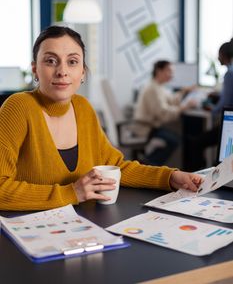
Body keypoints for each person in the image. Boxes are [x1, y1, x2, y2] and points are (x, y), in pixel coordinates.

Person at [0, 26, 202, 211]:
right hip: (27, 236)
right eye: (50, 61)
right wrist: (72, 193)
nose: (62, 71)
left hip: (81, 229)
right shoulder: (18, 106)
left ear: (82, 72)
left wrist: (170, 177)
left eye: (72, 61)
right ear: (35, 69)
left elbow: (117, 167)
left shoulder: (83, 108)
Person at [134, 60, 197, 165]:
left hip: (152, 126)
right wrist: (183, 107)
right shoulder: (152, 89)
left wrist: (183, 91)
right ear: (159, 71)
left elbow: (170, 100)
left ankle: (148, 163)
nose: (172, 75)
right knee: (174, 141)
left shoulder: (158, 86)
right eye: (169, 71)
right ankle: (147, 164)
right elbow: (163, 113)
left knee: (174, 138)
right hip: (147, 128)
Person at [188, 38, 233, 170]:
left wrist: (211, 109)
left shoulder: (229, 74)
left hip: (228, 122)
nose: (217, 57)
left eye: (219, 54)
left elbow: (225, 102)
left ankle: (196, 175)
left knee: (197, 143)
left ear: (224, 55)